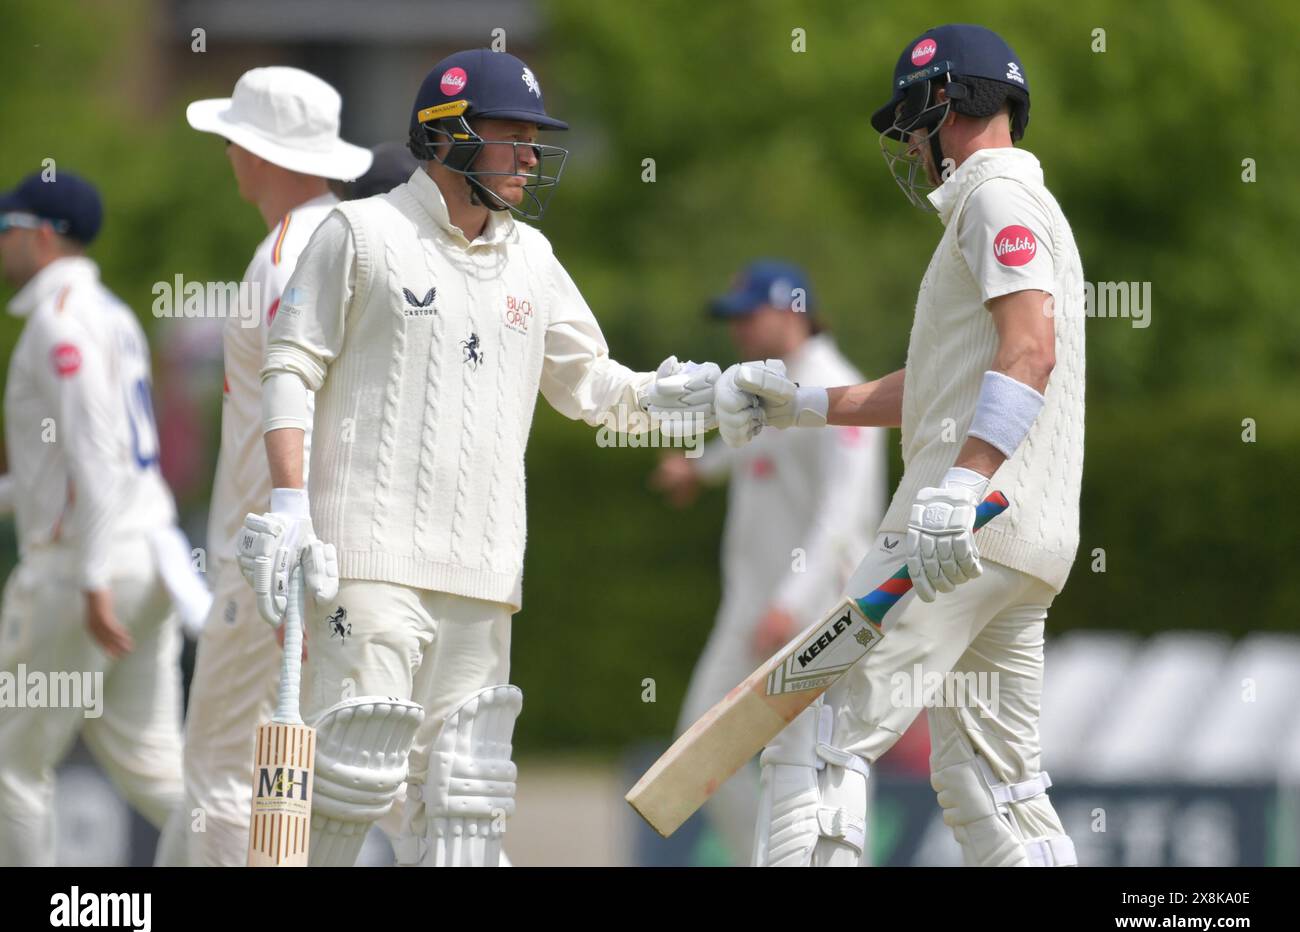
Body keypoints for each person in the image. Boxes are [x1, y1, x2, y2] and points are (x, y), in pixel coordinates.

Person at [235, 48, 717, 867]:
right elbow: (291, 365)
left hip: (485, 574)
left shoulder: (531, 256)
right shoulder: (362, 232)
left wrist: (719, 403)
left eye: (536, 138)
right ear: (449, 137)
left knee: (464, 806)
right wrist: (288, 507)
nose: (532, 157)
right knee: (350, 786)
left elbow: (596, 388)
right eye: (513, 136)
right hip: (367, 560)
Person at [716, 24, 1084, 867]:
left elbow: (1031, 348)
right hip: (1015, 541)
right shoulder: (1021, 212)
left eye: (911, 124)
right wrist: (801, 403)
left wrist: (963, 485)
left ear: (939, 104)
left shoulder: (995, 200)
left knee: (815, 727)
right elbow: (939, 390)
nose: (911, 147)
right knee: (996, 788)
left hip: (956, 526)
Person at [155, 66, 372, 866]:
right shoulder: (348, 237)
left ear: (256, 151)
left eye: (233, 139)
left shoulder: (288, 251)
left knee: (220, 771)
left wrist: (289, 535)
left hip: (268, 560)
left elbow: (297, 405)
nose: (227, 154)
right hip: (319, 549)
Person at [650, 260, 886, 864]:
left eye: (750, 316)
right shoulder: (772, 393)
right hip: (752, 609)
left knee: (828, 765)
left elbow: (845, 516)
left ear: (792, 310)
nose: (739, 332)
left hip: (818, 615)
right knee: (700, 753)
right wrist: (697, 468)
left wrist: (791, 604)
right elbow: (752, 444)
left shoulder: (838, 387)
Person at [0, 171, 206, 864]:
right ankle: (260, 854)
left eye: (6, 231)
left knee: (10, 764)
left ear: (40, 234)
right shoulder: (112, 315)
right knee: (154, 769)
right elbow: (63, 470)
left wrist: (90, 578)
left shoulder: (59, 320)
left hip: (86, 569)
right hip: (147, 559)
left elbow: (94, 452)